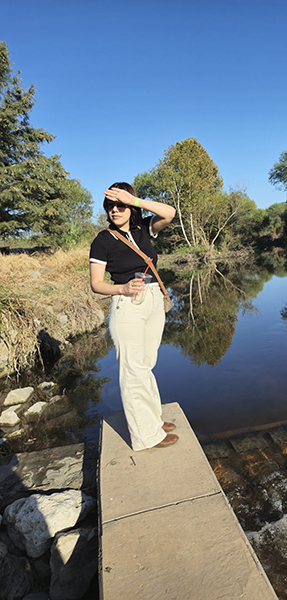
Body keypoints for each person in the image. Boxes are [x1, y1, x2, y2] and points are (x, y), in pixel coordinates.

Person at [89, 182, 178, 450]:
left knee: (146, 364)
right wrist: (123, 288)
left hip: (152, 299)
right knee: (133, 370)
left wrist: (135, 200)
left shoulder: (143, 230)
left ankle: (152, 420)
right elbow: (96, 284)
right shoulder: (103, 240)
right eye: (110, 205)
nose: (115, 209)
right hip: (126, 304)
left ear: (130, 205)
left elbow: (169, 213)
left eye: (121, 204)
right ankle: (146, 436)